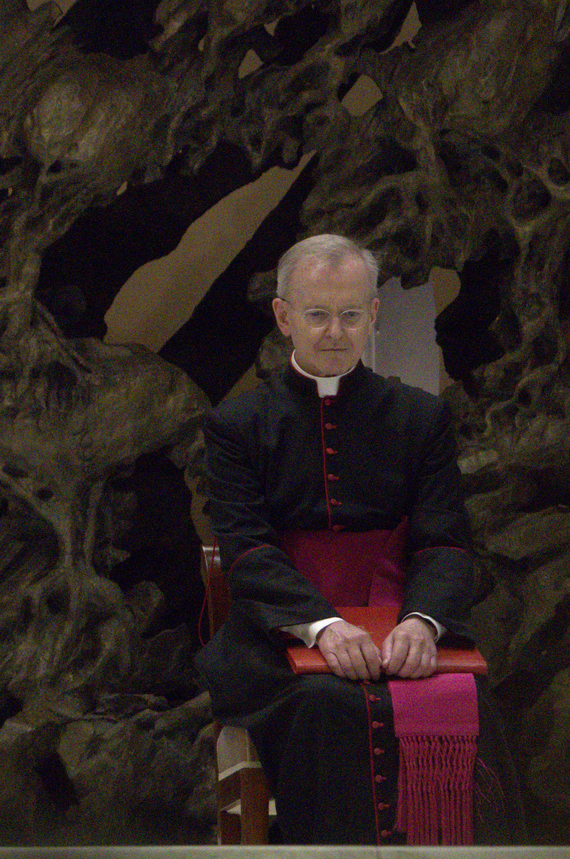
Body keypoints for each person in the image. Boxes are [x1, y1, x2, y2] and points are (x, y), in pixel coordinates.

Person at [198, 233, 517, 843]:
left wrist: (423, 623)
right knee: (326, 703)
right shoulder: (237, 424)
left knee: (471, 701)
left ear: (372, 315)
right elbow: (247, 548)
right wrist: (322, 626)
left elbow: (446, 544)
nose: (335, 332)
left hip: (401, 620)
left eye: (350, 315)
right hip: (279, 631)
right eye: (317, 315)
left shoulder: (420, 417)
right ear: (284, 318)